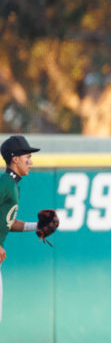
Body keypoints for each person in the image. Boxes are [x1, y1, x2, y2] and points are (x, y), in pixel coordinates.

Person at [0, 135, 48, 323]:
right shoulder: (5, 182)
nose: (31, 161)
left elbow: (8, 222)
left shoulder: (13, 185)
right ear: (15, 158)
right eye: (27, 156)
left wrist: (36, 226)